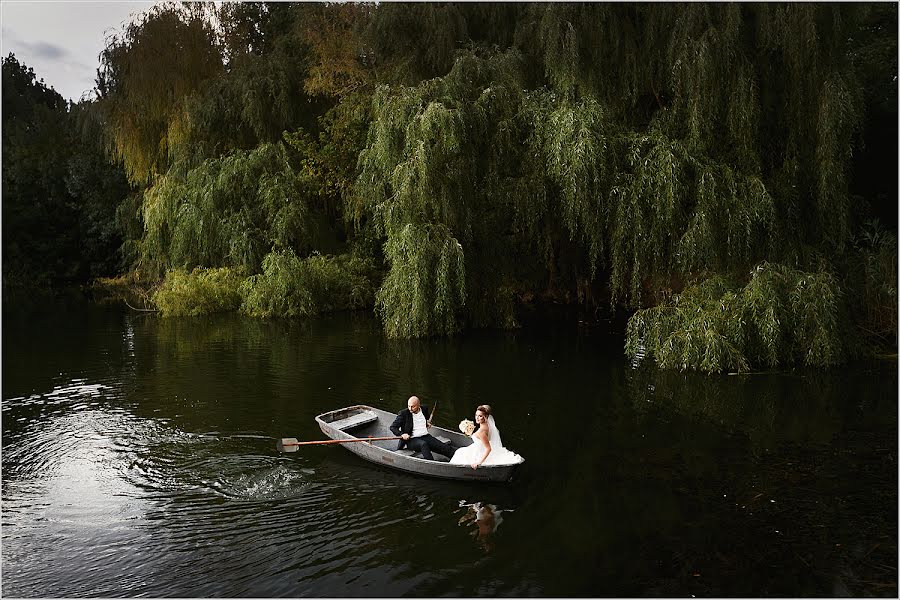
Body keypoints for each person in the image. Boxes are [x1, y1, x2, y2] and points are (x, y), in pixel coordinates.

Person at [450, 404, 522, 469]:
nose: (477, 418)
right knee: (460, 451)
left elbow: (488, 448)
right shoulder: (487, 426)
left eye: (480, 416)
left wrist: (479, 462)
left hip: (480, 451)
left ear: (486, 417)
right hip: (478, 447)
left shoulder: (482, 431)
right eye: (476, 415)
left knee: (459, 453)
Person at [389, 395, 455, 461]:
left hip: (426, 436)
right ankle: (431, 464)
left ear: (418, 405)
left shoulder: (424, 409)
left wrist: (426, 423)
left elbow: (425, 419)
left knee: (442, 446)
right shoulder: (403, 413)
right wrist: (402, 434)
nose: (410, 408)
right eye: (409, 406)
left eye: (413, 406)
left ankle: (457, 458)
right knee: (423, 444)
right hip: (411, 439)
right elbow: (393, 427)